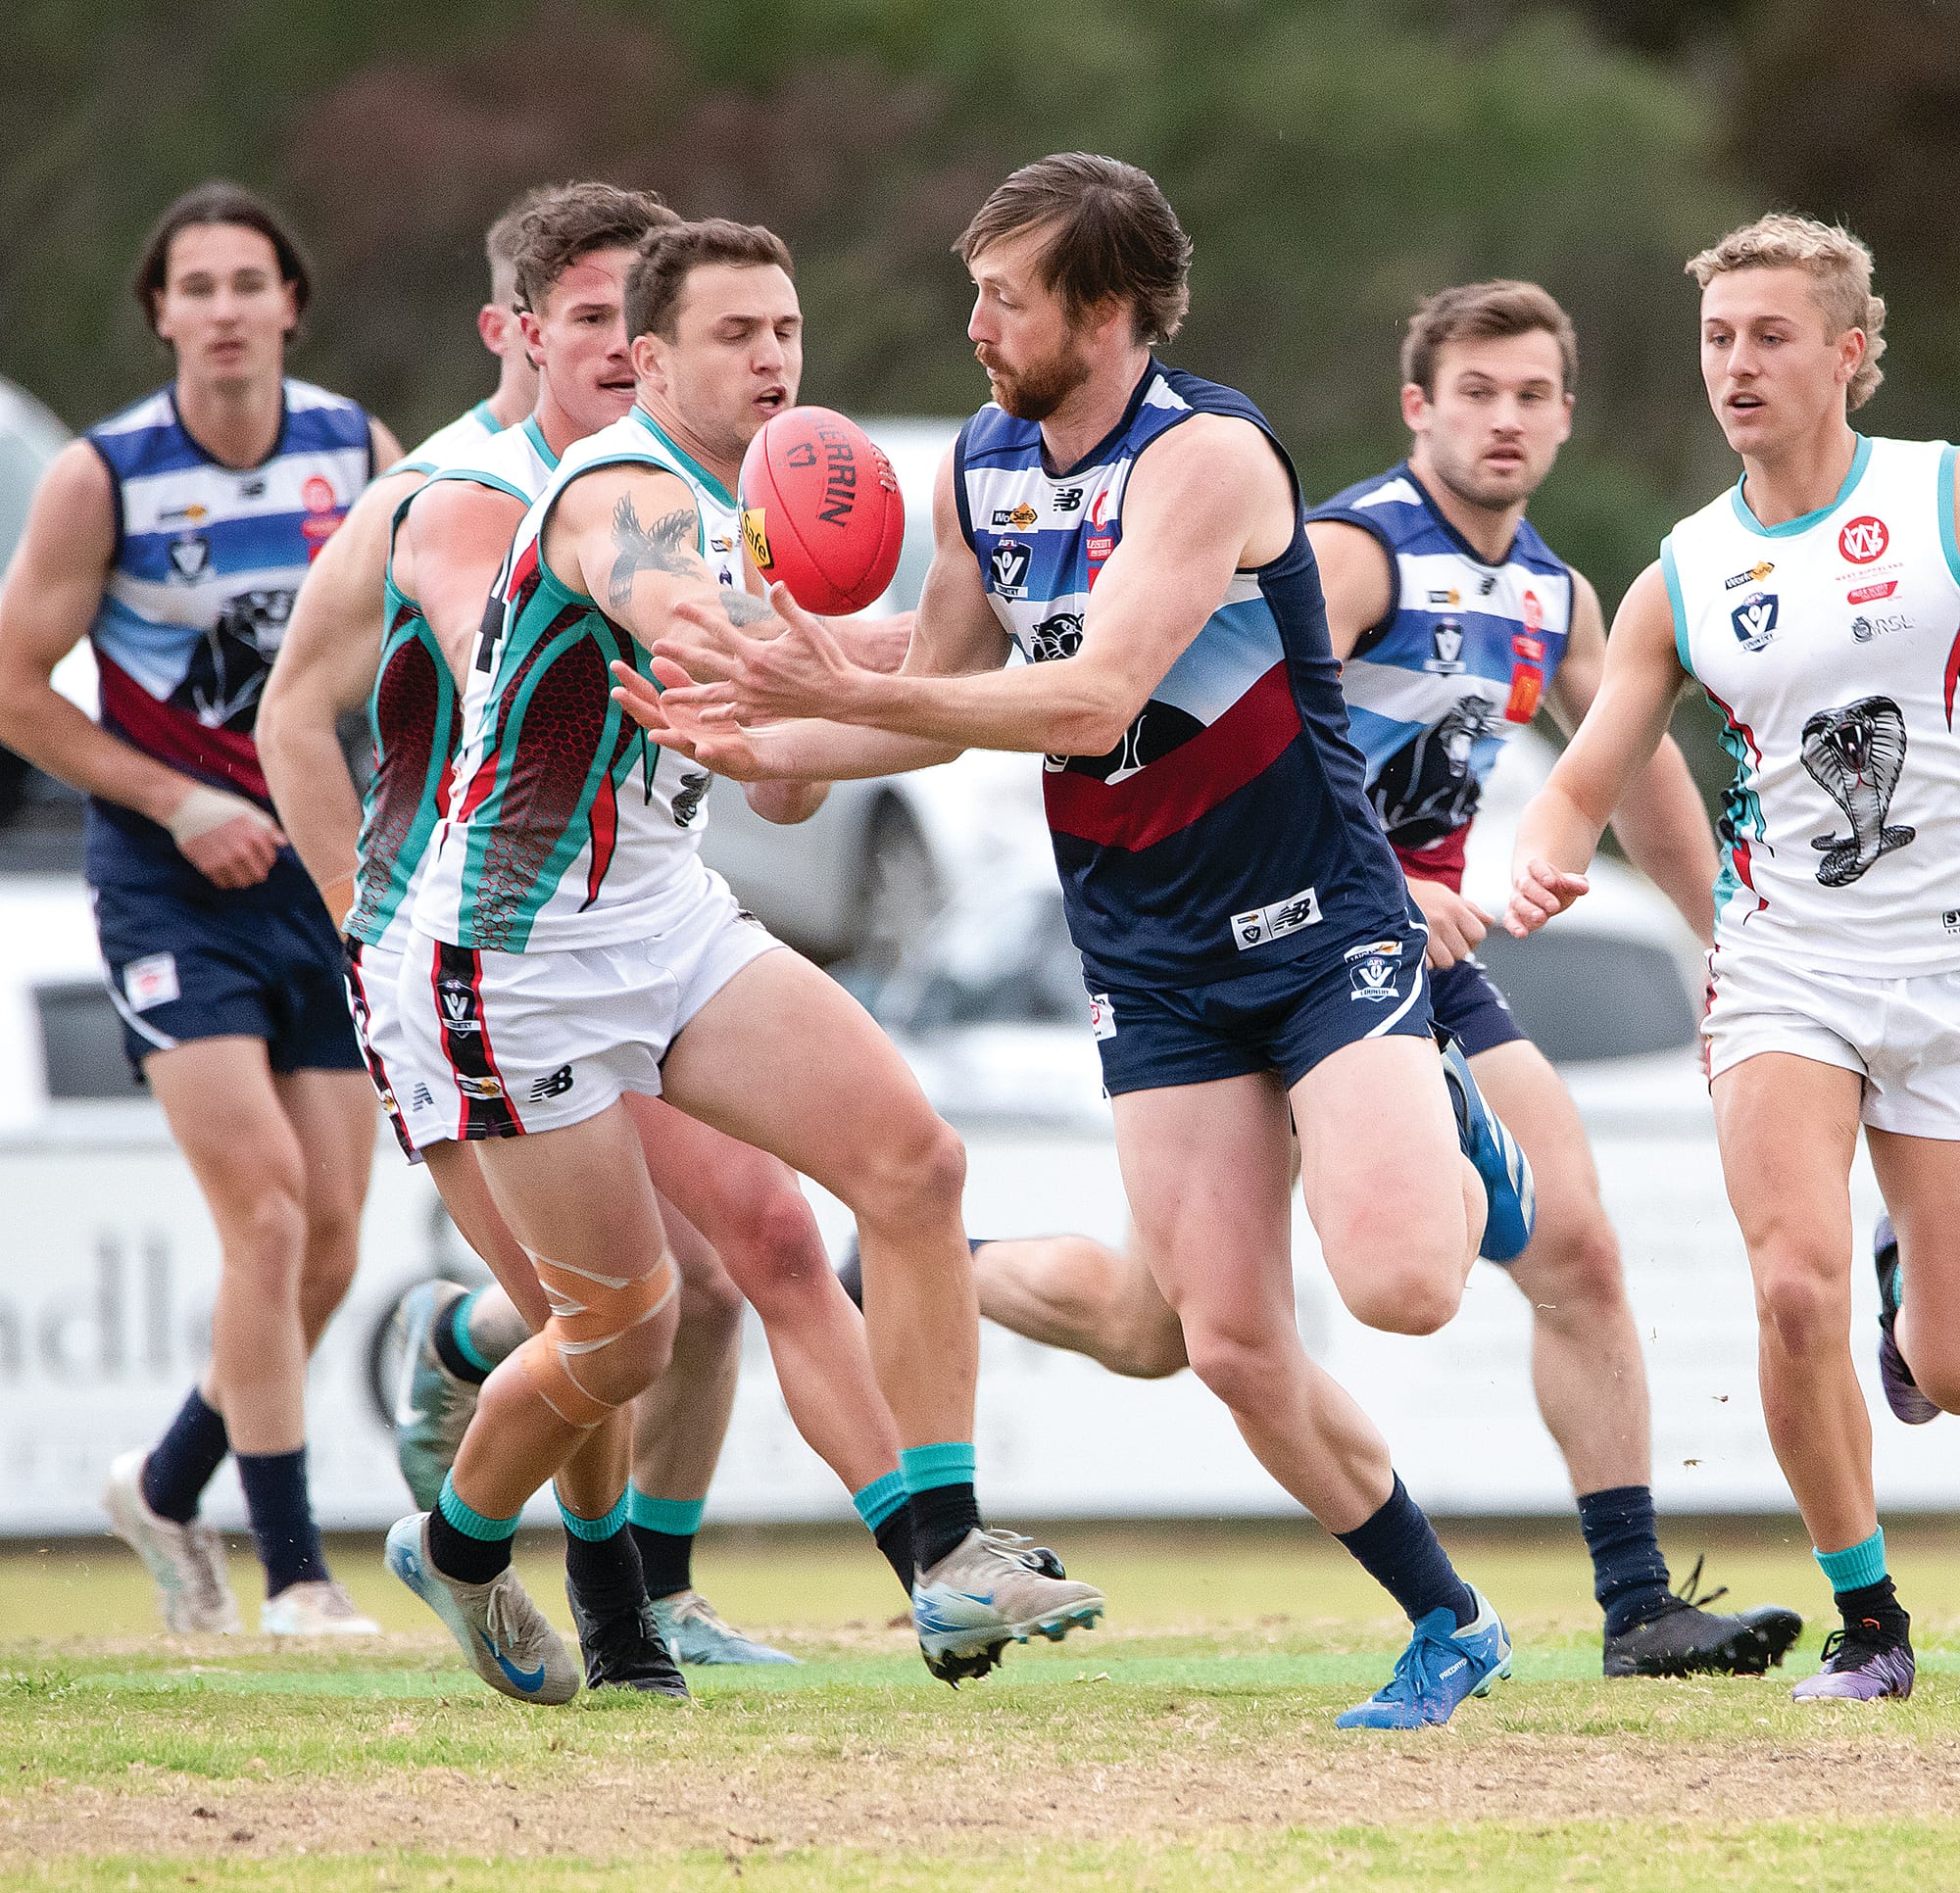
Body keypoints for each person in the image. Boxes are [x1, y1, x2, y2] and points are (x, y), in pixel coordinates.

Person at [619, 156, 1541, 1730]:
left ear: (1104, 313)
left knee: (1400, 1288)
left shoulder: (1208, 459)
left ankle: (1456, 1139)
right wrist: (756, 737)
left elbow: (1089, 698)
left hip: (1321, 925)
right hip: (1152, 955)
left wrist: (843, 694)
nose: (973, 324)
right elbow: (944, 692)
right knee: (1222, 1345)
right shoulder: (985, 461)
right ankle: (1448, 1620)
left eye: (1006, 296)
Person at [891, 279, 1800, 1677]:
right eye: (1476, 392)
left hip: (1396, 955)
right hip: (1300, 932)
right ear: (1416, 408)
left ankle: (1636, 1605)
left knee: (1578, 1251)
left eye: (1534, 394)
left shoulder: (1555, 596)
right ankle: (909, 1270)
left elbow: (1642, 785)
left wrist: (1740, 942)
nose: (1506, 420)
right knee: (1166, 1327)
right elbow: (1224, 727)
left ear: (1569, 416)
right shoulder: (1358, 554)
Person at [383, 215, 1102, 1701]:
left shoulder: (751, 515)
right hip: (513, 957)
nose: (774, 357)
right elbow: (667, 608)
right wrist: (815, 653)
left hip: (668, 920)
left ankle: (953, 1552)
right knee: (626, 1333)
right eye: (735, 334)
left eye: (786, 330)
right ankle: (456, 1552)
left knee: (915, 1165)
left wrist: (1026, 626)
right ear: (647, 359)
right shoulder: (618, 489)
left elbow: (780, 777)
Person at [263, 184, 831, 1681]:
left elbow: (745, 763)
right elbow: (305, 713)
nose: (612, 351)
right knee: (600, 1316)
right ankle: (603, 1600)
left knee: (730, 1262)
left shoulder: (693, 499)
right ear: (518, 333)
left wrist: (794, 716)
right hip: (473, 955)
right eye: (581, 319)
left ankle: (645, 1578)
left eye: (626, 323)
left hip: (625, 930)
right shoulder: (459, 498)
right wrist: (349, 920)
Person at [1504, 213, 1960, 1703]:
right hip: (1785, 968)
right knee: (1788, 1292)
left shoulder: (1941, 498)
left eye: (1771, 336)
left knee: (1949, 1367)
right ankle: (1872, 1624)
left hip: (1946, 967)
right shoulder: (1686, 572)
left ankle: (1919, 1311)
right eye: (1718, 337)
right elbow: (1592, 766)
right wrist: (1547, 850)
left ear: (1849, 354)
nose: (1738, 365)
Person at [0, 182, 403, 1635]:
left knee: (342, 1237)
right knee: (274, 1216)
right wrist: (179, 800)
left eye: (250, 282)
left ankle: (167, 1479)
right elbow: (12, 690)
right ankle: (292, 1572)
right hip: (169, 887)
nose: (225, 308)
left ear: (291, 303)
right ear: (161, 313)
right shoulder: (102, 478)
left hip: (319, 874)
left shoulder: (356, 450)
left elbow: (420, 631)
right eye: (198, 286)